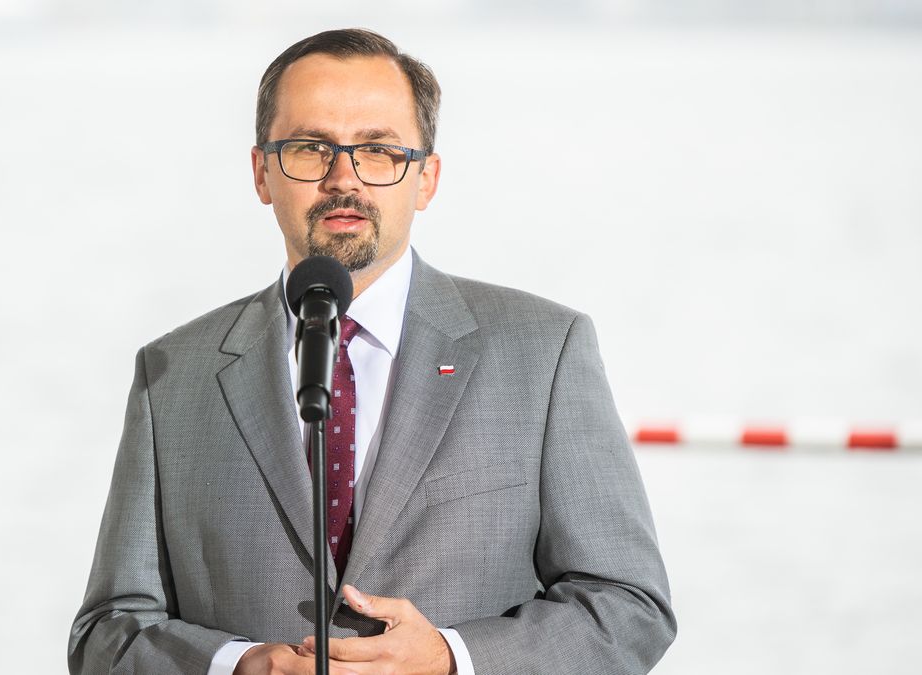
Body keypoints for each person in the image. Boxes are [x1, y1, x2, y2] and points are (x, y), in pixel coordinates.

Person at [69, 28, 675, 675]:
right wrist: (239, 666)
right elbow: (108, 632)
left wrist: (453, 658)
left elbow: (630, 604)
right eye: (309, 148)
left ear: (426, 178)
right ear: (261, 172)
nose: (342, 178)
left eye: (379, 151)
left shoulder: (545, 351)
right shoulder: (171, 373)